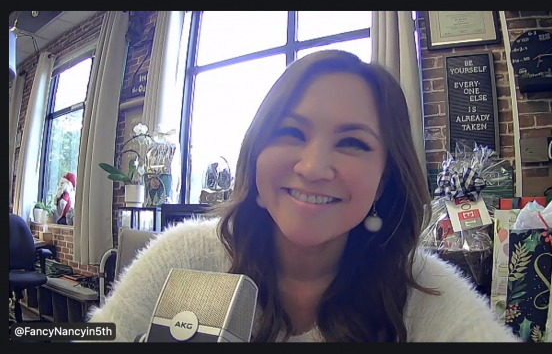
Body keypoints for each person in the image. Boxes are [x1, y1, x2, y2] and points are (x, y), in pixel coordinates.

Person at [87, 51, 517, 342]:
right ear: (256, 153)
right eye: (291, 133)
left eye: (352, 143)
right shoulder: (184, 258)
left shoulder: (426, 299)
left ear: (384, 180)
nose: (312, 168)